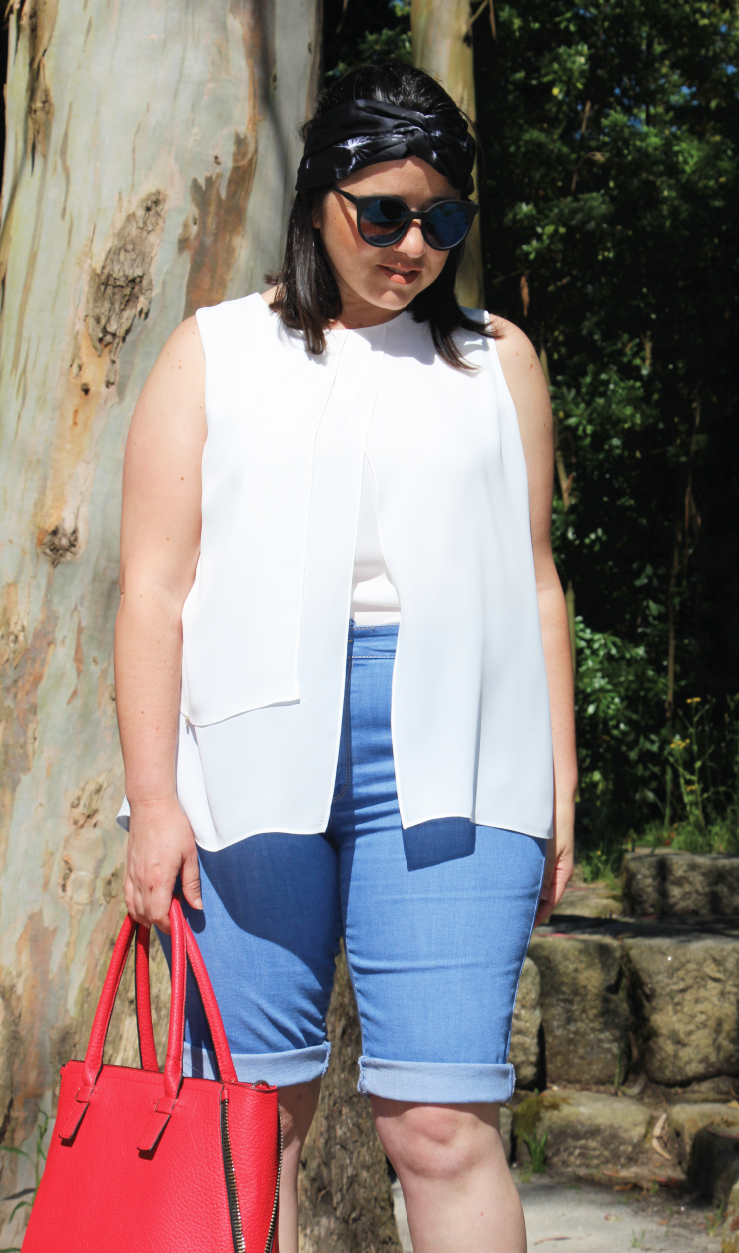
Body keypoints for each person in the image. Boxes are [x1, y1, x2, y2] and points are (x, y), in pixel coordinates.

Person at [116, 61, 576, 1253]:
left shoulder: (498, 360)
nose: (414, 245)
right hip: (244, 759)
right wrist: (154, 801)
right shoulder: (215, 352)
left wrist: (561, 783)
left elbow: (536, 577)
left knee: (441, 1122)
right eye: (384, 213)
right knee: (249, 1119)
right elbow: (154, 590)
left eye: (443, 219)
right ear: (320, 193)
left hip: (462, 757)